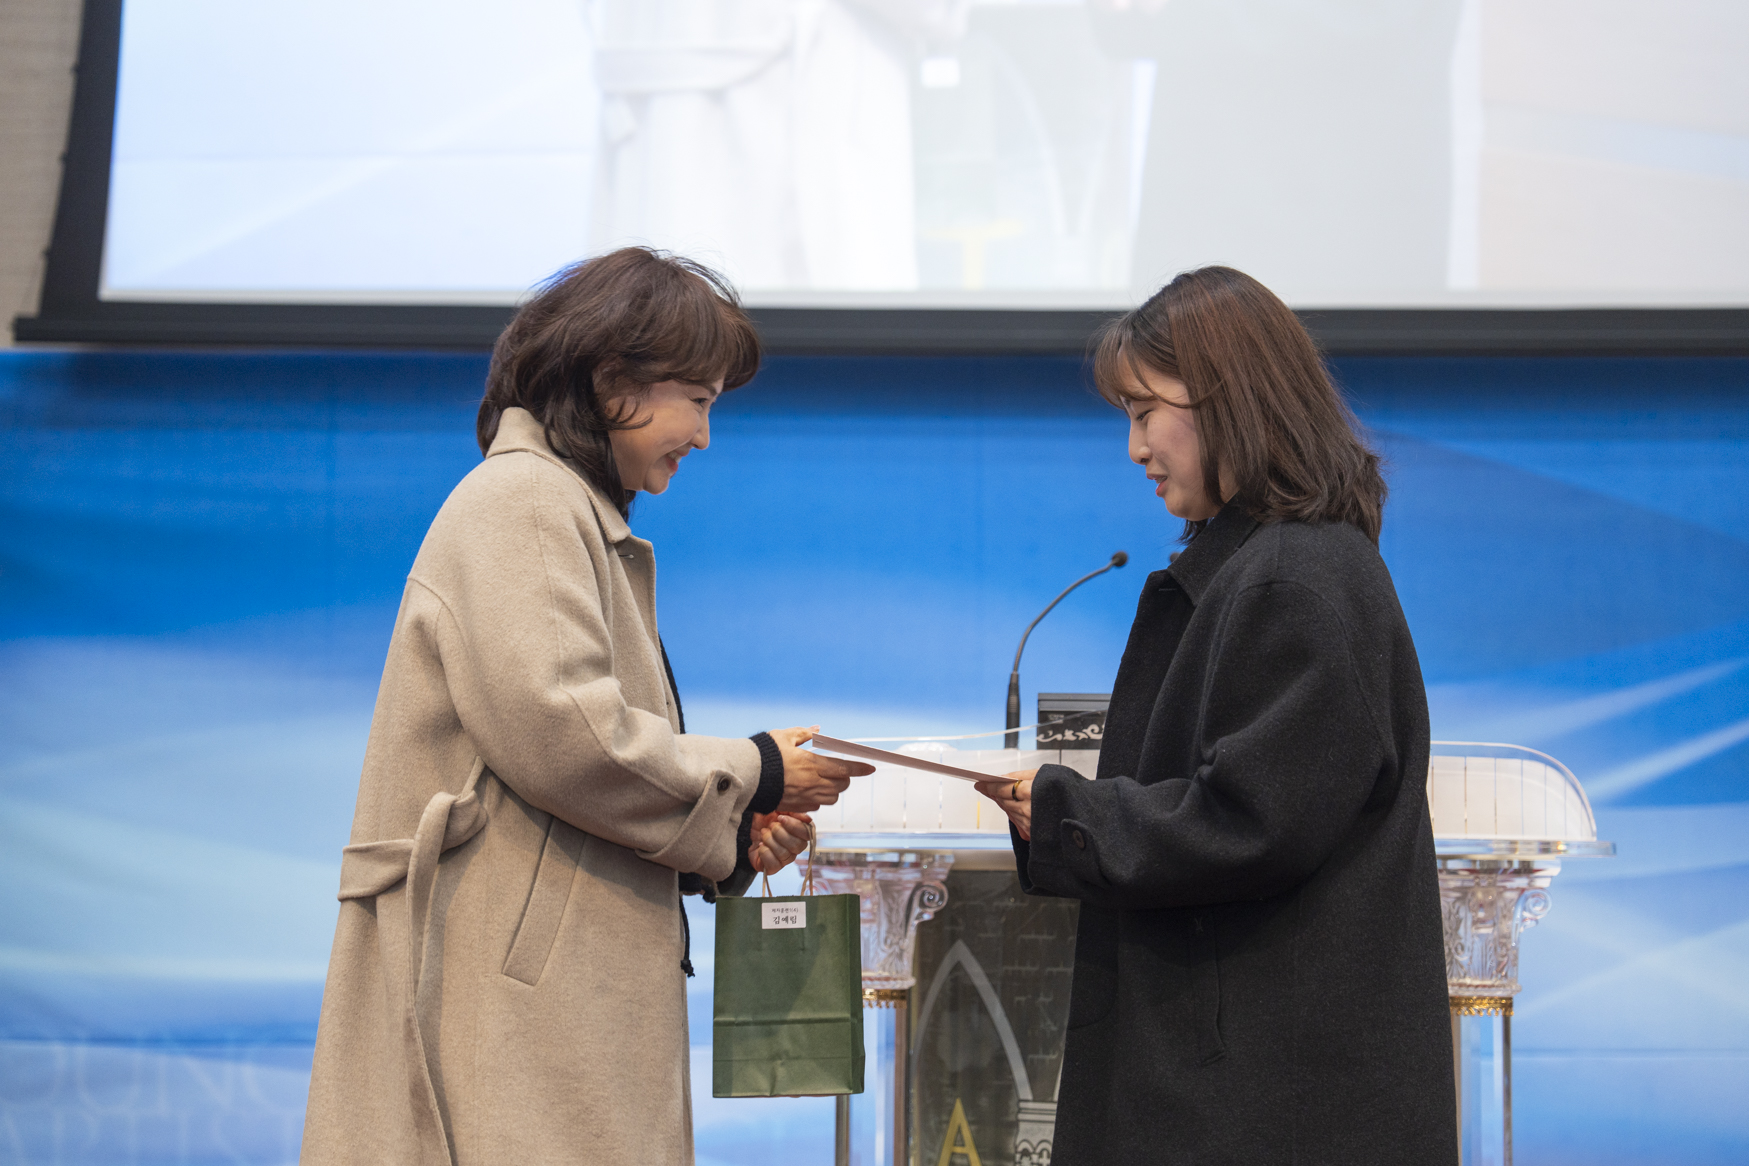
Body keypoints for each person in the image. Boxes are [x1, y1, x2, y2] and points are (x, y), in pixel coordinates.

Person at [300, 247, 871, 1166]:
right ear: (612, 381)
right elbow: (566, 736)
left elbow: (572, 761)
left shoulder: (556, 505)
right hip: (511, 998)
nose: (704, 436)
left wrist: (731, 836)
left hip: (541, 990)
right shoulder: (526, 500)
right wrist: (759, 768)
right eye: (699, 400)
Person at [976, 266, 1456, 1164]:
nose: (1133, 448)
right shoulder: (1274, 568)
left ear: (1227, 399)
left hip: (1266, 1102)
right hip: (1252, 1085)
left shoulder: (1293, 579)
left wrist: (1067, 813)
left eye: (1143, 411)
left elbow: (1250, 822)